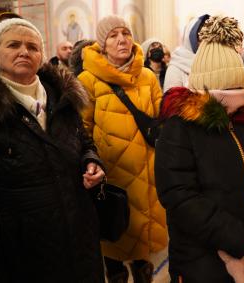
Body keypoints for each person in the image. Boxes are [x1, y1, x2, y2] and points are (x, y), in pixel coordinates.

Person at [155, 15, 244, 283]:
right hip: (203, 258)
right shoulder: (180, 127)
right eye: (228, 90)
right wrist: (241, 239)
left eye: (239, 89)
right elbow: (180, 197)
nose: (238, 98)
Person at [0, 18, 105, 282]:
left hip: (79, 229)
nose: (24, 51)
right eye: (13, 45)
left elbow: (83, 140)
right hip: (24, 245)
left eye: (32, 47)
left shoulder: (63, 96)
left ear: (41, 56)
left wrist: (91, 160)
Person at [75, 15, 167, 283]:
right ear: (102, 44)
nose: (122, 39)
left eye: (125, 33)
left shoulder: (147, 76)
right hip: (112, 173)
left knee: (143, 244)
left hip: (148, 173)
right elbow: (81, 129)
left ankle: (143, 274)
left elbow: (161, 117)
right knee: (114, 235)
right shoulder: (88, 79)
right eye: (113, 35)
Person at [163, 14, 210, 93]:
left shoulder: (213, 61)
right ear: (192, 39)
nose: (206, 41)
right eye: (202, 36)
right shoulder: (176, 67)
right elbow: (171, 102)